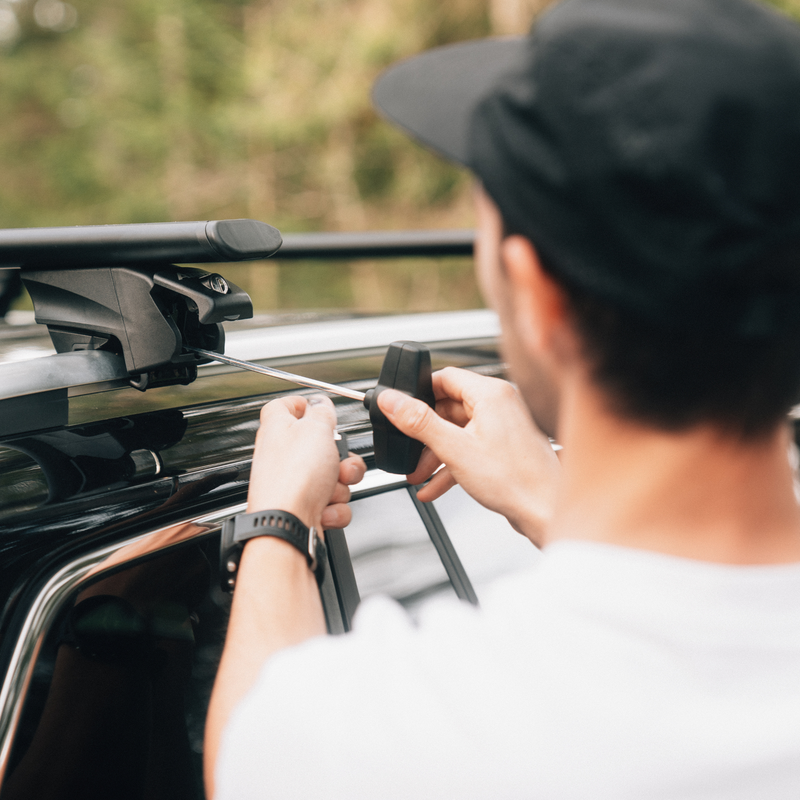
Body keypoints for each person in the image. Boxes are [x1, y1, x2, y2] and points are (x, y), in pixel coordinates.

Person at [205, 0, 800, 796]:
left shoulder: (431, 734)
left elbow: (253, 747)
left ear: (538, 298)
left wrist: (276, 523)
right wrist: (546, 499)